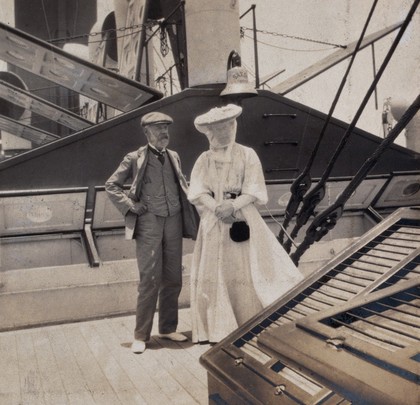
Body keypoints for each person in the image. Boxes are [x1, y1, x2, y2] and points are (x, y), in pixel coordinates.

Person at [188, 104, 304, 343]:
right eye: (218, 127)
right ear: (210, 130)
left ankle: (248, 320)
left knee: (244, 269)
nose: (224, 131)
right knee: (216, 270)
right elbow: (198, 190)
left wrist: (233, 205)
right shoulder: (204, 159)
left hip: (241, 214)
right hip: (214, 219)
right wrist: (217, 208)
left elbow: (254, 188)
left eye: (228, 125)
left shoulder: (247, 154)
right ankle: (219, 328)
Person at [105, 111, 198, 353]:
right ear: (147, 132)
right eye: (158, 129)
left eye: (166, 128)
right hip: (148, 223)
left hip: (174, 220)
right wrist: (130, 206)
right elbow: (111, 185)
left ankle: (167, 328)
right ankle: (141, 335)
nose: (164, 133)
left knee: (173, 277)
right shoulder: (134, 157)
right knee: (149, 279)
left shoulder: (174, 156)